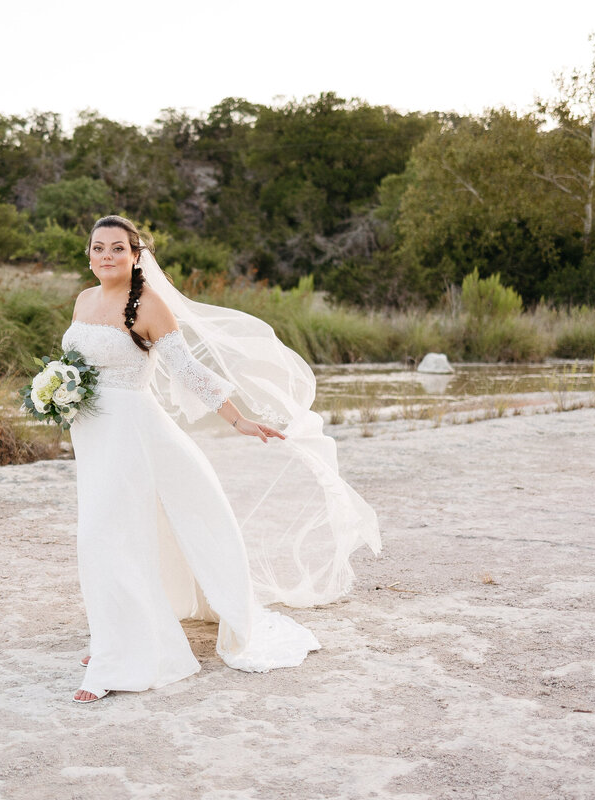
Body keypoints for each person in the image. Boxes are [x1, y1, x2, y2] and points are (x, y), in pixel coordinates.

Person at [63, 215, 380, 704]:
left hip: (132, 435)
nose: (106, 256)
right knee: (100, 532)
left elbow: (188, 370)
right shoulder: (84, 299)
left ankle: (123, 656)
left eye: (117, 249)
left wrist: (239, 421)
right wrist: (58, 393)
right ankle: (112, 636)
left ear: (135, 254)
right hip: (92, 433)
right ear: (89, 253)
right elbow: (77, 364)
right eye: (97, 248)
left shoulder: (148, 306)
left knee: (109, 534)